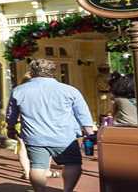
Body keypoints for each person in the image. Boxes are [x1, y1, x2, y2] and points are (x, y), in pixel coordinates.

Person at [6, 59, 95, 192]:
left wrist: (11, 128)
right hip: (65, 137)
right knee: (72, 163)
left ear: (32, 71)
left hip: (35, 136)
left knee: (37, 166)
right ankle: (68, 189)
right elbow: (83, 114)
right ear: (53, 72)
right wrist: (90, 133)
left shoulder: (19, 91)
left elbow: (11, 114)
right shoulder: (69, 90)